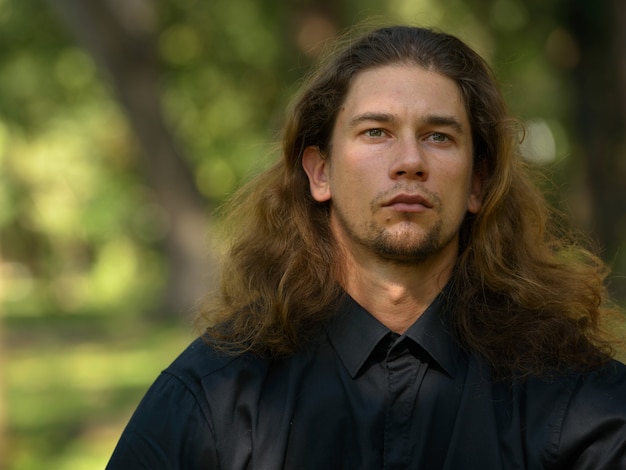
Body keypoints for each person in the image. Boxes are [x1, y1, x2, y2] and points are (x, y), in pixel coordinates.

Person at [107, 25, 626, 469]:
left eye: (439, 136)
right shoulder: (215, 397)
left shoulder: (575, 398)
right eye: (376, 132)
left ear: (477, 184)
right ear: (320, 172)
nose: (409, 161)